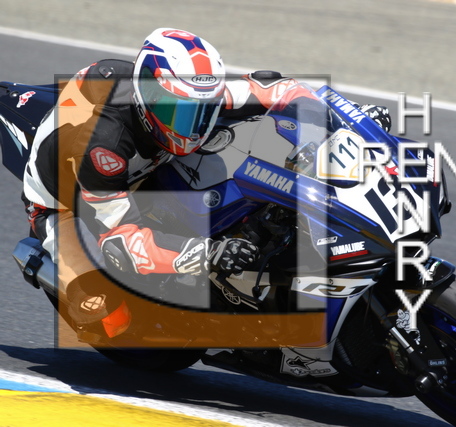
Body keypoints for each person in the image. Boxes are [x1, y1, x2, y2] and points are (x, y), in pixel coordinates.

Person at [22, 28, 391, 337]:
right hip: (69, 204)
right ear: (149, 97)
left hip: (149, 166)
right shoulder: (102, 147)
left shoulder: (187, 93)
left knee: (262, 146)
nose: (192, 126)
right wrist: (207, 253)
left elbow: (280, 89)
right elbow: (122, 239)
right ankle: (46, 261)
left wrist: (349, 121)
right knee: (108, 313)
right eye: (179, 113)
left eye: (203, 111)